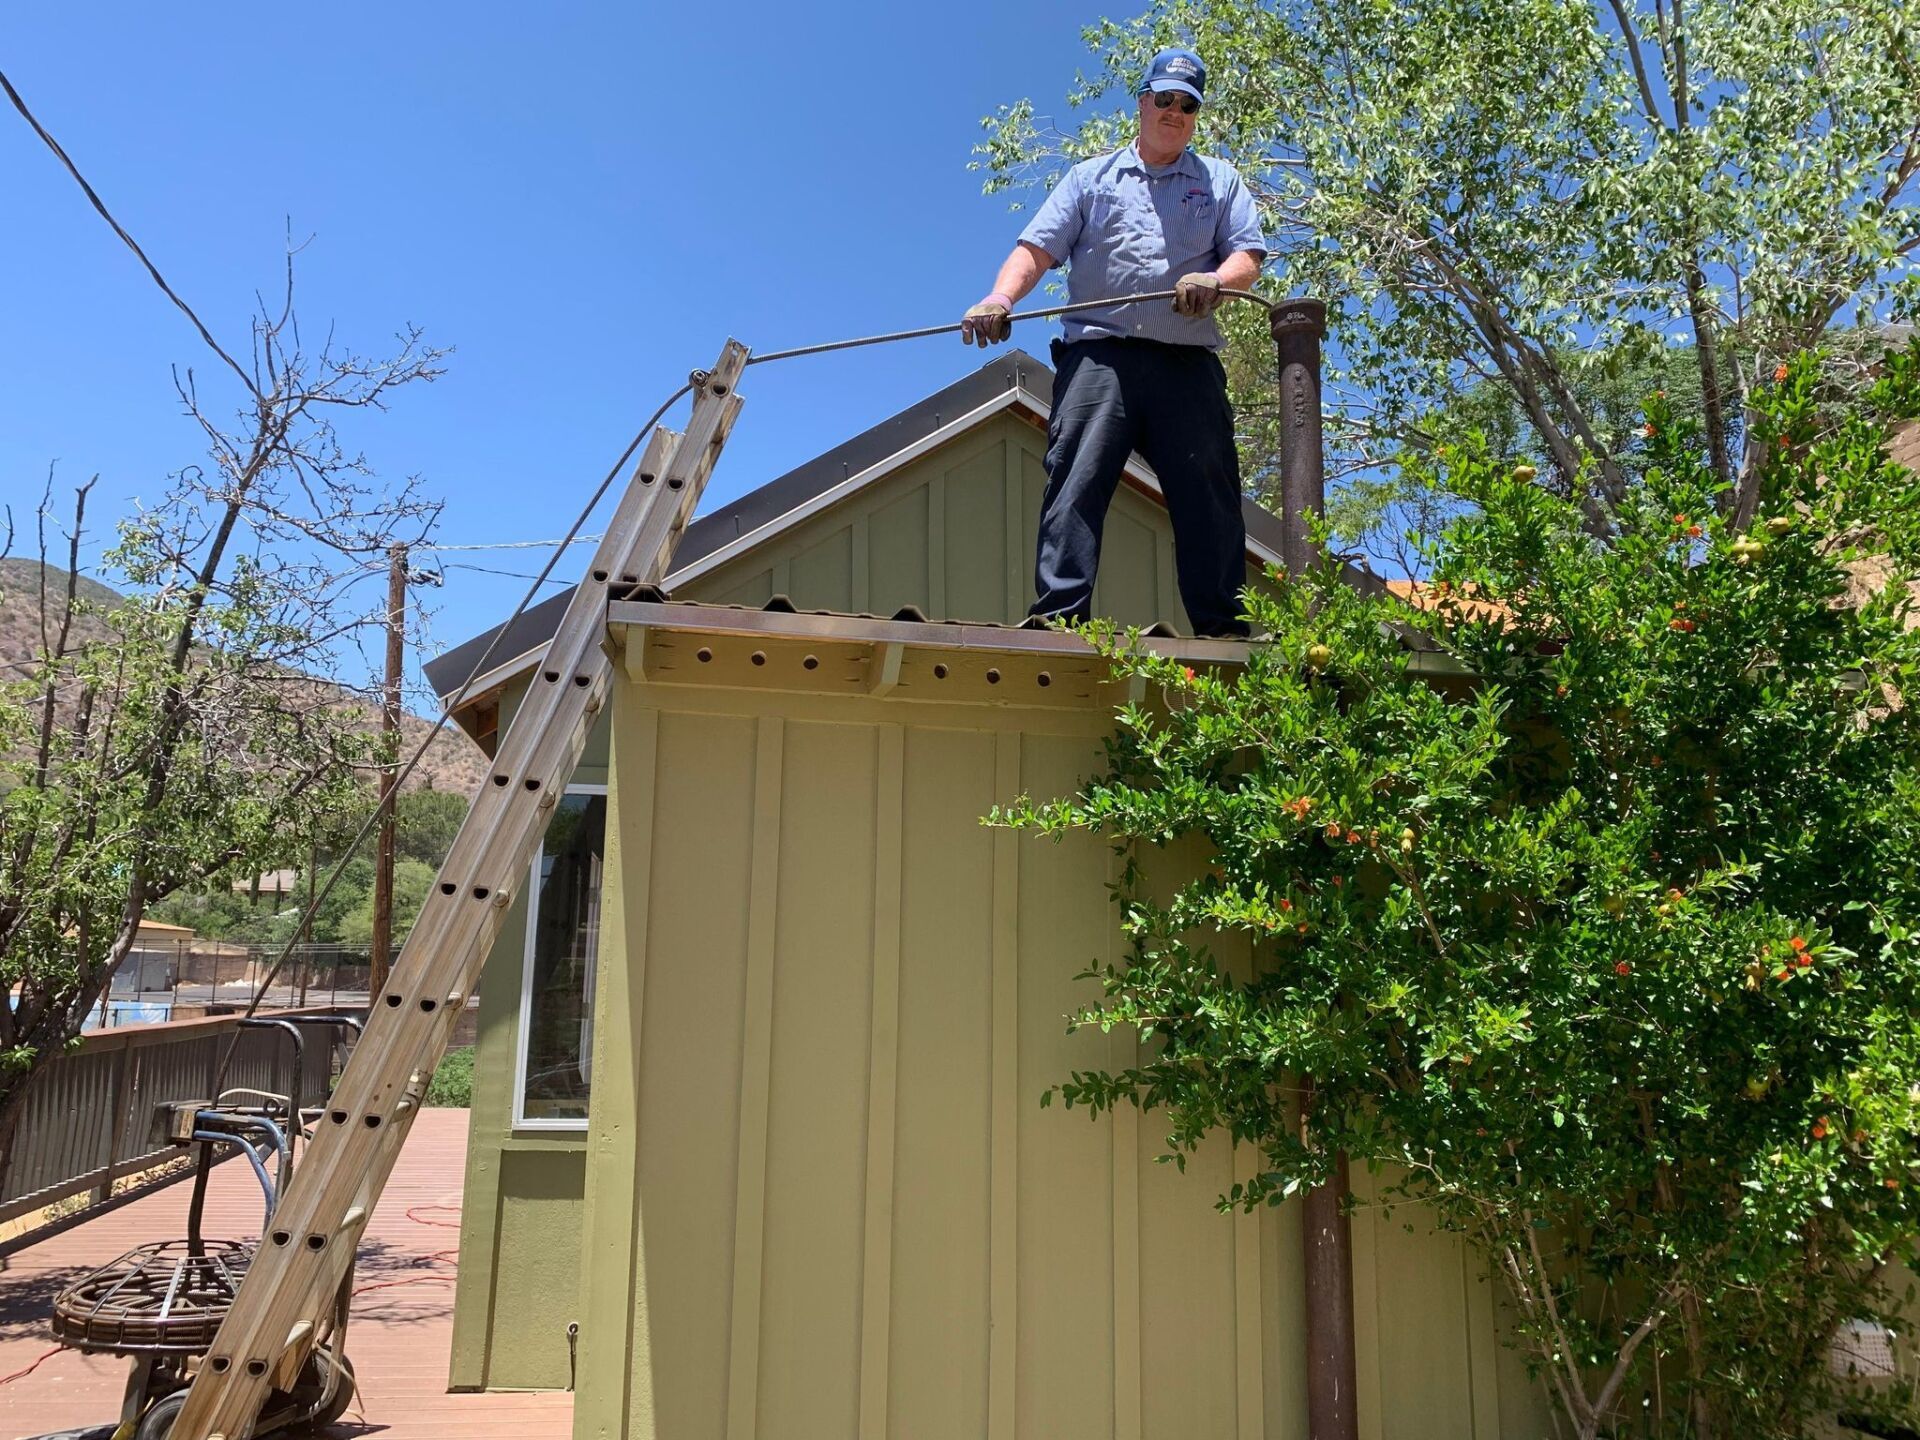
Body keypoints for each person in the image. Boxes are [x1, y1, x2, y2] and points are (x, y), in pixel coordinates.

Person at [962, 47, 1266, 638]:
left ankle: (1224, 628)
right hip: (1101, 353)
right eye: (1164, 99)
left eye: (1187, 104)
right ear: (1142, 101)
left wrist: (1217, 280)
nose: (1173, 111)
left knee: (1209, 487)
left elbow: (1247, 257)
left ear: (1194, 115)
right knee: (1075, 473)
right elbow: (1036, 251)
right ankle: (1059, 617)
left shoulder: (1219, 181)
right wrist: (1000, 299)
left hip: (1186, 363)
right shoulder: (1090, 178)